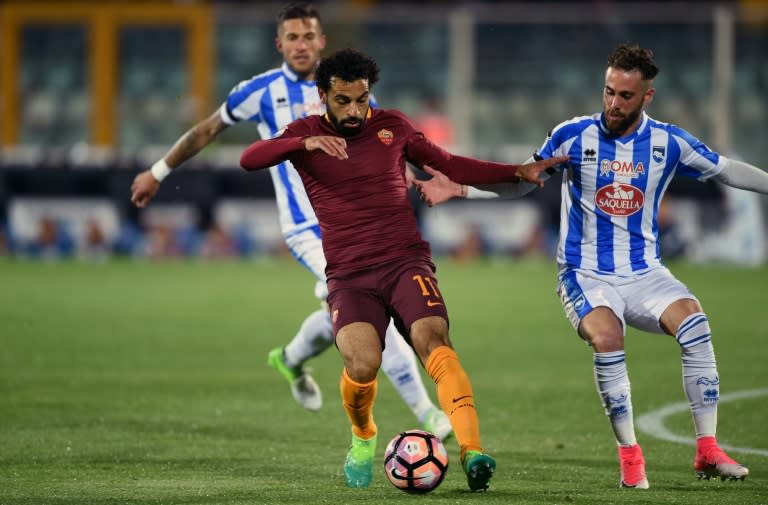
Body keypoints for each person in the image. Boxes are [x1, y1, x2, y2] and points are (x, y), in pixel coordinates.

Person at [414, 43, 767, 489]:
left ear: (647, 97)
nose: (613, 103)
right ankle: (630, 456)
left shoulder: (668, 143)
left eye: (625, 96)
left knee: (696, 325)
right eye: (609, 91)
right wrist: (461, 192)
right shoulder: (572, 135)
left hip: (645, 272)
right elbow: (523, 181)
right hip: (584, 271)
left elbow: (725, 169)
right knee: (607, 335)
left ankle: (708, 451)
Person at [239, 47, 567, 490]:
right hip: (350, 276)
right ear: (322, 96)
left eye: (362, 99)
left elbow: (449, 164)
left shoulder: (392, 125)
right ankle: (363, 435)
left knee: (434, 340)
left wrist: (515, 171)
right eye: (343, 101)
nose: (356, 110)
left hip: (404, 261)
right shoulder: (305, 133)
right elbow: (250, 157)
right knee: (363, 363)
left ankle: (473, 453)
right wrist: (303, 143)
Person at [129, 2, 453, 439]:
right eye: (292, 38)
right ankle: (428, 414)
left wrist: (407, 175)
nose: (301, 45)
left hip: (357, 223)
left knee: (342, 311)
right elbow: (206, 131)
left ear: (321, 41)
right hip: (307, 229)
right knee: (374, 307)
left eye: (309, 36)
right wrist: (158, 171)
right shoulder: (259, 92)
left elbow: (379, 143)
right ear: (279, 44)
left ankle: (291, 358)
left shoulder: (347, 89)